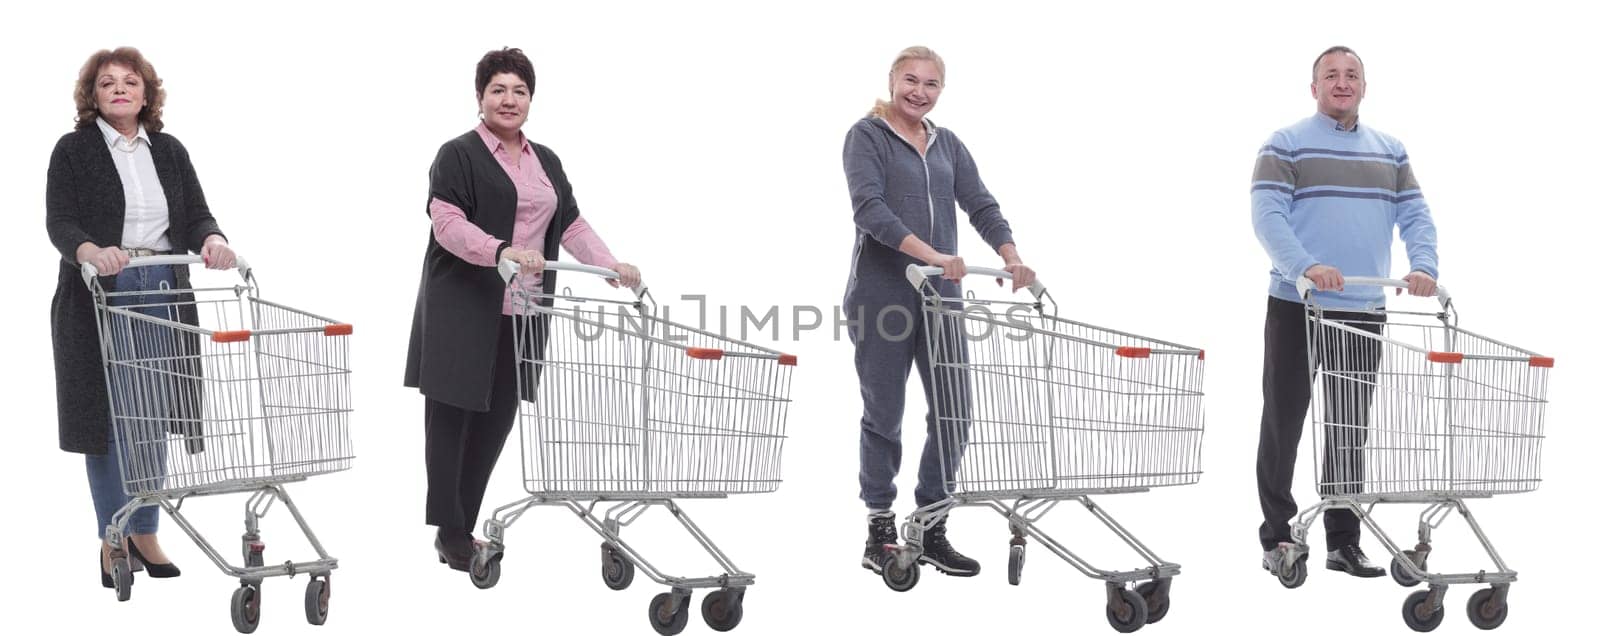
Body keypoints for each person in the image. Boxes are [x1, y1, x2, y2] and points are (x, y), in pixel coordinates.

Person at [404, 47, 642, 572]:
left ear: (531, 99)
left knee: (497, 417)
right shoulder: (457, 154)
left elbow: (572, 225)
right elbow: (446, 224)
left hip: (526, 309)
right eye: (498, 89)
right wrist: (499, 250)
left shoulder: (547, 161)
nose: (509, 100)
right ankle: (451, 529)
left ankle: (462, 525)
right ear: (480, 97)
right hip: (464, 305)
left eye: (519, 91)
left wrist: (611, 266)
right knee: (453, 415)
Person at [46, 47, 239, 588]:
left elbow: (196, 213)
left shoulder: (169, 151)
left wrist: (214, 239)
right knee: (109, 420)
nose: (119, 89)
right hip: (102, 293)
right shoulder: (73, 150)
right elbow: (59, 220)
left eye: (130, 81)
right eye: (107, 83)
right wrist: (88, 249)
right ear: (93, 95)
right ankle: (114, 536)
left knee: (153, 415)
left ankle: (146, 530)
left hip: (165, 289)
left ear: (147, 93)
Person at [842, 45, 1036, 578]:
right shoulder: (867, 136)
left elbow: (980, 202)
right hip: (883, 296)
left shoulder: (947, 143)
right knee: (884, 414)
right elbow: (869, 210)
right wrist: (932, 255)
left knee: (954, 412)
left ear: (940, 91)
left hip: (942, 300)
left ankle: (929, 524)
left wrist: (1011, 255)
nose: (918, 92)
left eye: (930, 84)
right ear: (891, 80)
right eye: (910, 80)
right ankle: (879, 529)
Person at [1252, 45, 1439, 578]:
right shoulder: (1284, 144)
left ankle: (1342, 541)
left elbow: (1417, 215)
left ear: (1364, 86)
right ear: (1313, 89)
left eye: (1351, 74)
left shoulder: (1391, 152)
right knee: (1284, 421)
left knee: (1348, 424)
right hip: (1298, 307)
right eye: (1330, 75)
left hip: (1363, 308)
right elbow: (1267, 216)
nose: (1341, 82)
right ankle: (1277, 539)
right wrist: (1306, 266)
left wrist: (1422, 265)